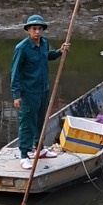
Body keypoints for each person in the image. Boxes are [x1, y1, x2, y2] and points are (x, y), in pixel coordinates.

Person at [10, 11, 63, 158]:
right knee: (27, 123)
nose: (37, 32)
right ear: (28, 30)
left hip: (43, 90)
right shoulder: (22, 48)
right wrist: (16, 95)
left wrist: (60, 52)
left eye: (40, 28)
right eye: (34, 29)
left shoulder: (44, 43)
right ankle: (24, 155)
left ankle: (39, 148)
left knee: (41, 120)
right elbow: (15, 73)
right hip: (28, 92)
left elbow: (47, 56)